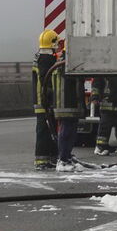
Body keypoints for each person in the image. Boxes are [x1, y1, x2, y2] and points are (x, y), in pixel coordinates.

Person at [44, 42, 84, 171]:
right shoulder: (67, 63)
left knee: (70, 131)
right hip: (67, 102)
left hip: (66, 102)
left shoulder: (62, 61)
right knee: (66, 131)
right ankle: (62, 158)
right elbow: (74, 80)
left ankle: (66, 156)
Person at [32, 30, 59, 170]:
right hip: (44, 101)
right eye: (57, 43)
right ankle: (41, 161)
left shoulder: (40, 57)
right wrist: (49, 98)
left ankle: (52, 157)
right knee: (44, 131)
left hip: (42, 100)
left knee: (50, 129)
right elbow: (45, 80)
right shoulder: (46, 59)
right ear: (52, 43)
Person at [91, 77, 117, 155]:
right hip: (107, 103)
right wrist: (95, 97)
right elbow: (96, 84)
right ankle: (101, 147)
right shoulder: (103, 72)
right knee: (105, 127)